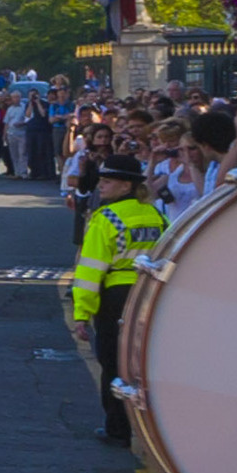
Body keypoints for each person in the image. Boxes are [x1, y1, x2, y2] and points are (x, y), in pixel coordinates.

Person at [66, 154, 169, 446]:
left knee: (112, 364)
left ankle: (117, 429)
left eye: (107, 181)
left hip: (115, 295)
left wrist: (81, 313)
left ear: (126, 185)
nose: (101, 186)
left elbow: (89, 271)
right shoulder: (156, 215)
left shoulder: (106, 219)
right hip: (148, 293)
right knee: (144, 363)